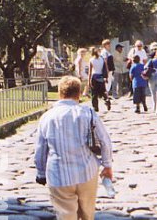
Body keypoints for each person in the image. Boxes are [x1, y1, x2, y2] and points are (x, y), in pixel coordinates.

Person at [35, 76, 113, 220]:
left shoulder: (47, 117)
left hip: (59, 174)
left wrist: (41, 173)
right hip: (87, 172)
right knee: (87, 214)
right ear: (78, 94)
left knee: (65, 215)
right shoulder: (88, 113)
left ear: (59, 93)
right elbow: (104, 140)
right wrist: (107, 165)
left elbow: (41, 149)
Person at [88, 47, 111, 112]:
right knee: (103, 91)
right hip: (101, 77)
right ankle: (106, 99)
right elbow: (106, 69)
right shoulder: (102, 59)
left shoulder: (91, 60)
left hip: (94, 77)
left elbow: (90, 72)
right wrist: (106, 77)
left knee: (94, 93)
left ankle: (95, 107)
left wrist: (89, 81)